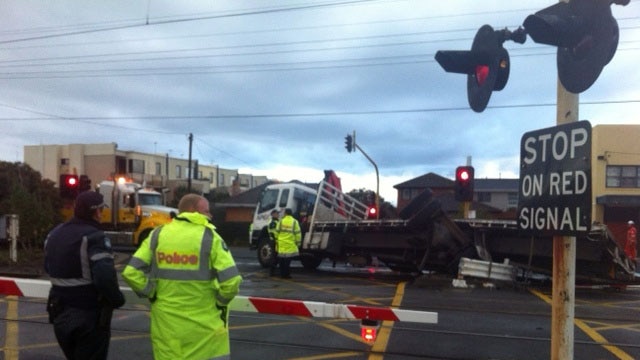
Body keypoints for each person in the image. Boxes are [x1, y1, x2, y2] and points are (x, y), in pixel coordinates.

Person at [122, 194, 242, 360]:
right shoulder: (210, 237)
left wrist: (151, 292)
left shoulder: (158, 235)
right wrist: (220, 303)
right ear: (193, 211)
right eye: (206, 211)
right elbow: (232, 281)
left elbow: (131, 272)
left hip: (167, 326)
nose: (210, 215)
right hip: (204, 327)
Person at [44, 191, 125, 360]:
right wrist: (118, 299)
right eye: (101, 209)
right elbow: (104, 277)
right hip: (88, 316)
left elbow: (47, 267)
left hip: (59, 313)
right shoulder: (95, 237)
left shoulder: (54, 234)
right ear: (96, 212)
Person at [275, 208, 301, 279]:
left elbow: (276, 232)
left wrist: (277, 240)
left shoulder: (281, 221)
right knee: (287, 260)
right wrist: (298, 243)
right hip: (290, 243)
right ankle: (286, 275)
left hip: (281, 243)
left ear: (285, 213)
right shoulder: (295, 222)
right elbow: (298, 233)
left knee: (281, 260)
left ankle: (282, 274)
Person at [268, 209, 280, 276]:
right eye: (276, 213)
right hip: (274, 241)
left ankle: (273, 271)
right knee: (274, 256)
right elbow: (273, 232)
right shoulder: (273, 223)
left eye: (278, 213)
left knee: (276, 256)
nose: (278, 215)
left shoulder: (276, 221)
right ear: (272, 214)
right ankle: (272, 272)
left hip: (276, 240)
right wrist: (276, 239)